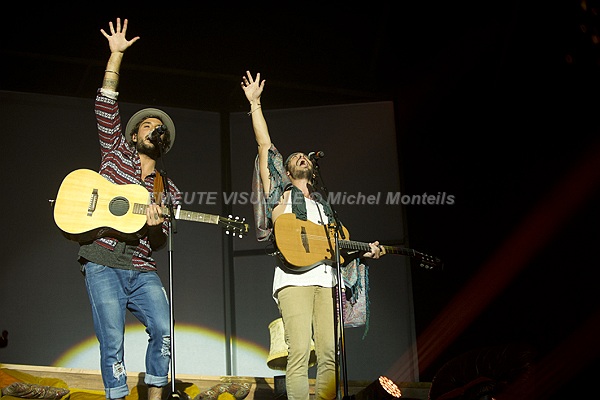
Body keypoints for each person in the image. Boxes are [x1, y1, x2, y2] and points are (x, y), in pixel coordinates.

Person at [241, 70, 383, 400]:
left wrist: (364, 251)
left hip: (328, 281)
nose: (301, 156)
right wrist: (255, 104)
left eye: (304, 156)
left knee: (330, 355)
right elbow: (265, 145)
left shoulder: (323, 206)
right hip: (294, 281)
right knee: (300, 353)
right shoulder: (279, 192)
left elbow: (337, 246)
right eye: (294, 157)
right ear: (286, 170)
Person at [77, 18, 182, 400]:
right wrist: (115, 55)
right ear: (135, 135)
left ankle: (155, 396)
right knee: (112, 341)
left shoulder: (168, 189)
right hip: (103, 260)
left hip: (142, 268)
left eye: (159, 128)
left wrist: (155, 225)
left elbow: (160, 241)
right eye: (147, 125)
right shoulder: (115, 154)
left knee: (164, 330)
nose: (154, 129)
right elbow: (105, 104)